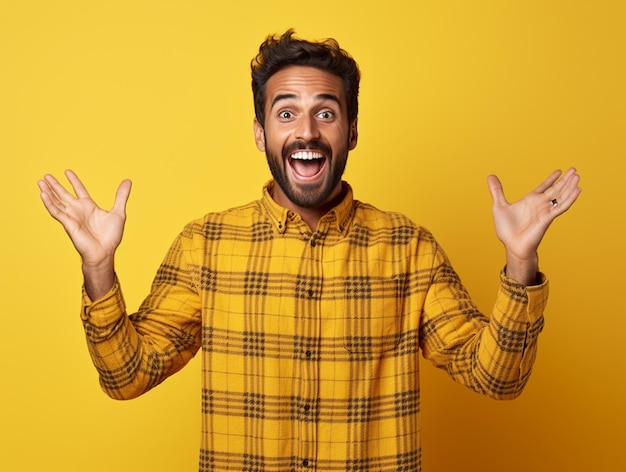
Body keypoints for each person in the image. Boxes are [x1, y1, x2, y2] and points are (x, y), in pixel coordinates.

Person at [38, 30, 581, 472]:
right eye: (286, 112)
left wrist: (520, 262)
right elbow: (126, 376)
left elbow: (497, 378)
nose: (307, 131)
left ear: (351, 132)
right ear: (260, 133)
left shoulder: (408, 248)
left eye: (326, 113)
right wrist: (99, 269)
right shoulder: (206, 246)